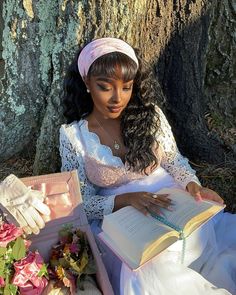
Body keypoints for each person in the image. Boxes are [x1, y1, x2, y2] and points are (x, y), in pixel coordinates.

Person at [59, 37, 236, 295]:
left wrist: (193, 185)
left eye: (127, 87)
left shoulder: (150, 115)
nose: (117, 98)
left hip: (173, 203)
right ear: (87, 83)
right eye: (105, 87)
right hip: (122, 221)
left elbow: (175, 161)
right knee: (150, 268)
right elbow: (80, 201)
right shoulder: (73, 136)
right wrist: (126, 200)